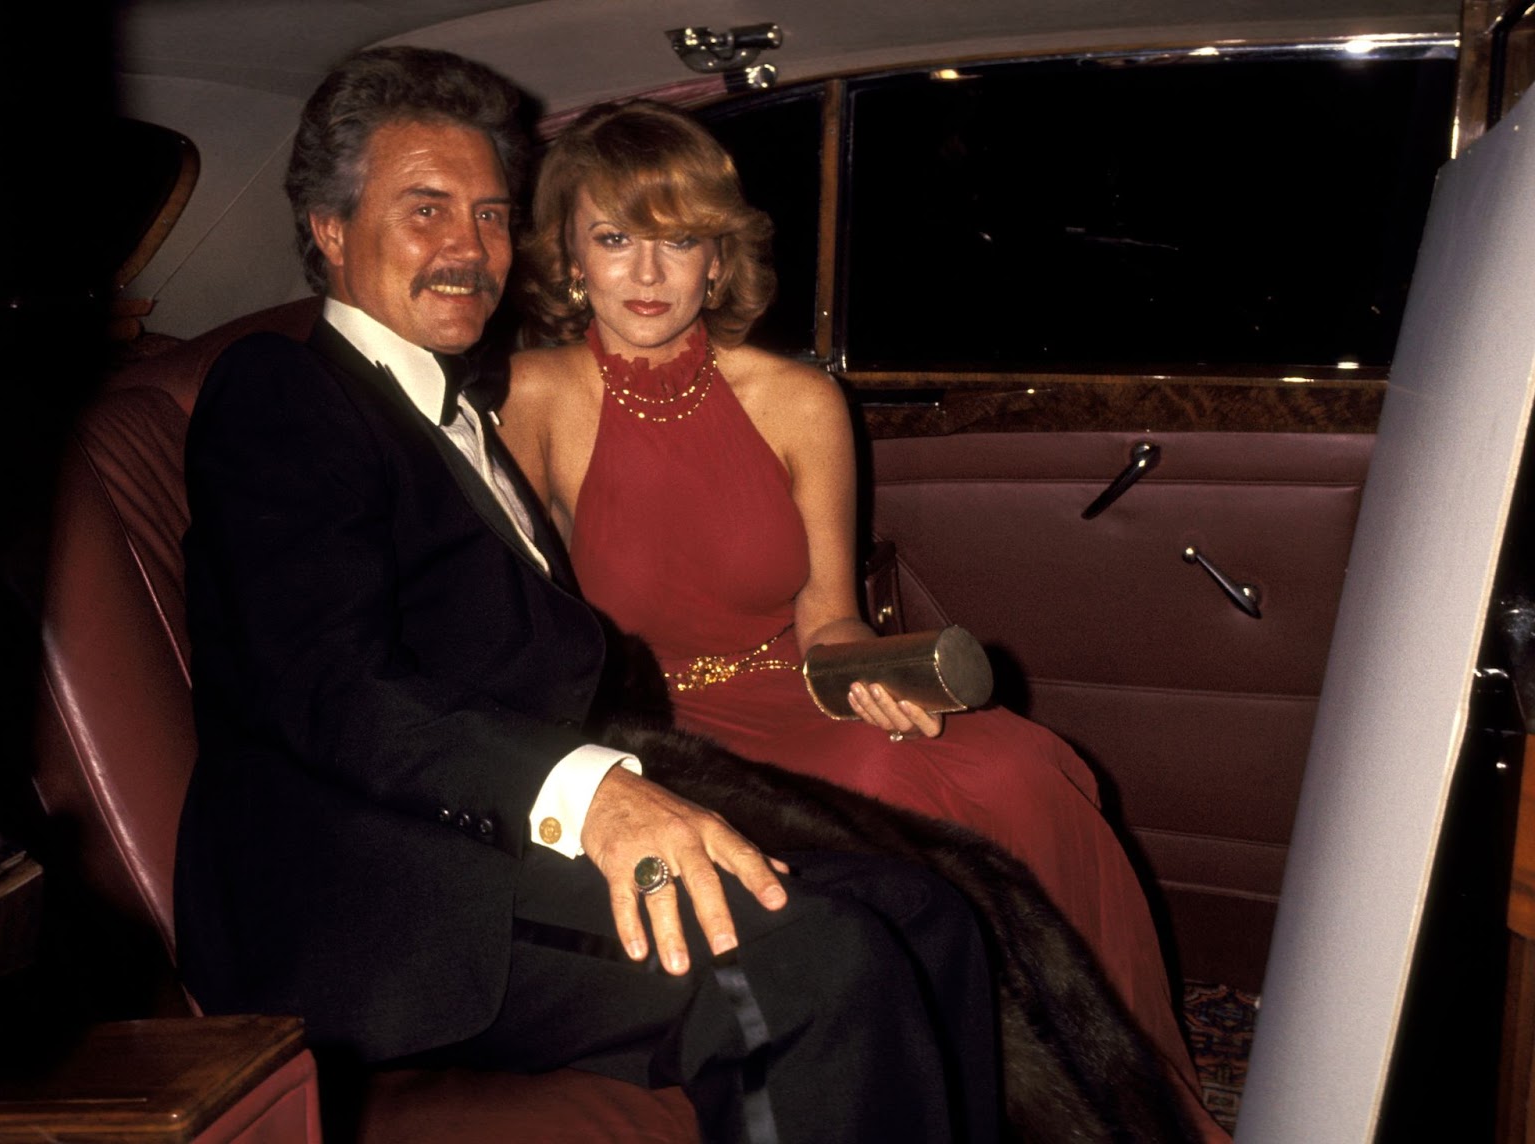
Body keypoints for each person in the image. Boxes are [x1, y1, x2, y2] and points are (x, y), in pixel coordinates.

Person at [175, 46, 1002, 1143]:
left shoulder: (462, 412)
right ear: (330, 230)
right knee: (816, 959)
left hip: (493, 833)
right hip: (370, 887)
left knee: (927, 910)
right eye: (425, 211)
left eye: (490, 214)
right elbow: (331, 688)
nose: (468, 248)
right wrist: (597, 797)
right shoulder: (282, 394)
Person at [500, 100, 1228, 1142]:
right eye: (616, 240)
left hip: (788, 688)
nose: (648, 273)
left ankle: (1127, 1094)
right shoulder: (530, 396)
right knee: (888, 787)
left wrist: (865, 676)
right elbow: (521, 629)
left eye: (679, 240)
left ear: (719, 258)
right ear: (570, 258)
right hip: (647, 728)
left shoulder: (798, 399)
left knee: (1023, 765)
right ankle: (977, 1092)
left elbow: (828, 621)